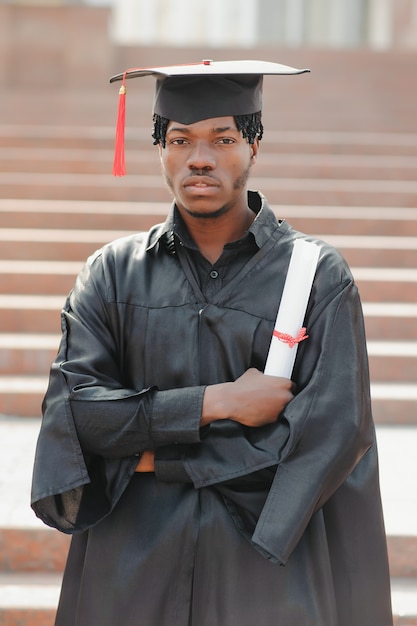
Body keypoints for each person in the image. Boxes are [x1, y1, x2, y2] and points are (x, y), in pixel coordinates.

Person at [31, 59, 393, 626]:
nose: (200, 157)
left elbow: (323, 441)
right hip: (131, 571)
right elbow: (77, 417)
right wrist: (217, 403)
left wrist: (152, 458)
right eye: (180, 140)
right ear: (160, 148)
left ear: (254, 147)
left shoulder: (317, 277)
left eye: (223, 138)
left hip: (264, 577)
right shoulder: (111, 275)